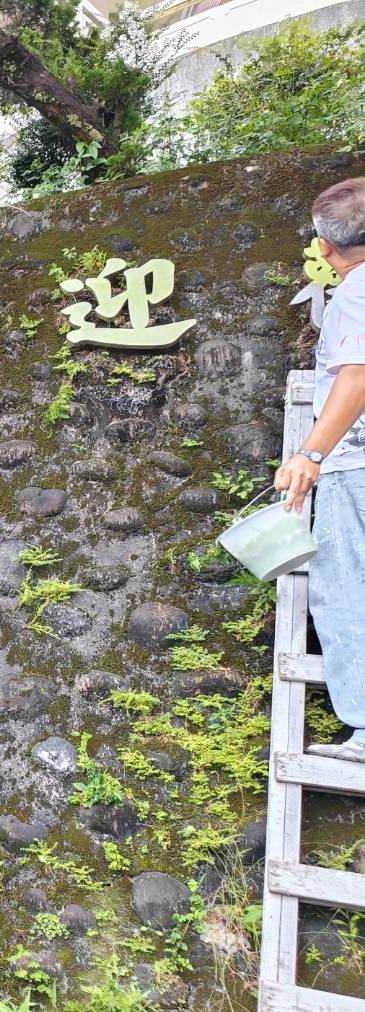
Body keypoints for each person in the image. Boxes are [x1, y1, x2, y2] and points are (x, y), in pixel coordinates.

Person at [277, 179, 365, 761]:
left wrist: (310, 454)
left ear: (326, 247)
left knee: (343, 589)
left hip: (353, 462)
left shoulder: (356, 295)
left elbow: (356, 378)